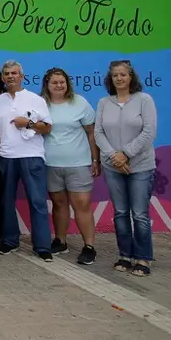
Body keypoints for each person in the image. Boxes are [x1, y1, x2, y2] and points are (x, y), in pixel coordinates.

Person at [95, 61, 157, 277]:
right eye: (115, 75)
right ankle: (124, 255)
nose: (119, 78)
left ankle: (143, 258)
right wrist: (115, 156)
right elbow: (98, 133)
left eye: (123, 74)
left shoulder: (144, 100)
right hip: (113, 166)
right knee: (120, 212)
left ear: (131, 77)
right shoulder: (104, 102)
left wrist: (126, 154)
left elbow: (149, 132)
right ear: (110, 79)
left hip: (140, 165)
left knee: (139, 214)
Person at [0, 60, 53, 261]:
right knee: (6, 202)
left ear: (22, 76)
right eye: (7, 73)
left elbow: (47, 128)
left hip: (32, 155)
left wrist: (27, 123)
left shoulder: (36, 99)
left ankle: (43, 246)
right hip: (6, 156)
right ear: (2, 77)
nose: (10, 76)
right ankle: (9, 241)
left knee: (37, 202)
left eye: (14, 73)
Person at [40, 68, 99, 266]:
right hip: (51, 163)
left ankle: (89, 246)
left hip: (78, 163)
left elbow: (91, 132)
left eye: (62, 82)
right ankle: (60, 240)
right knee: (58, 204)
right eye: (54, 82)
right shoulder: (41, 104)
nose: (59, 85)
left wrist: (95, 159)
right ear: (47, 85)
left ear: (67, 84)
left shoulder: (79, 102)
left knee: (81, 204)